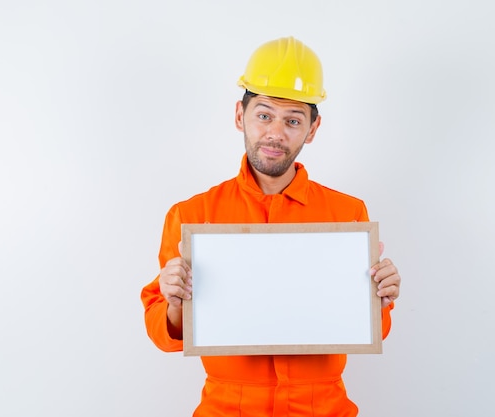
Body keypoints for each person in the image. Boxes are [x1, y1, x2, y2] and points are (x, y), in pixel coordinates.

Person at [140, 36, 401, 417]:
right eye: (264, 115)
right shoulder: (191, 216)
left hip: (324, 409)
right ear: (238, 116)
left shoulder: (348, 213)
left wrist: (381, 296)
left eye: (293, 120)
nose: (276, 133)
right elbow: (163, 333)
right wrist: (176, 303)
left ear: (312, 129)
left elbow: (371, 327)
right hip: (226, 408)